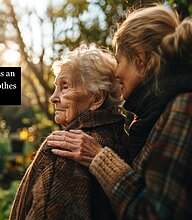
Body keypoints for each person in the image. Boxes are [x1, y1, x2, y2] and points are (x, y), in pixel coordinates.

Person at [47, 5, 192, 219]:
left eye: (120, 60)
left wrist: (99, 158)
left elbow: (157, 214)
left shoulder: (183, 108)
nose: (116, 71)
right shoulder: (155, 114)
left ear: (140, 61)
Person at [10, 45, 128, 220]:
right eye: (56, 87)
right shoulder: (126, 139)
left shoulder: (65, 149)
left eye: (65, 87)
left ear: (97, 98)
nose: (53, 97)